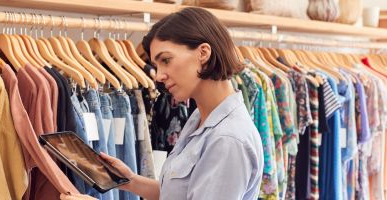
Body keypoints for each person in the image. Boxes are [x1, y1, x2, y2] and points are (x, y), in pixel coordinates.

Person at [61, 7, 263, 200]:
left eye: (166, 60)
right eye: (156, 65)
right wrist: (130, 180)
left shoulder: (227, 139)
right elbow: (181, 193)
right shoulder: (201, 119)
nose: (158, 76)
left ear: (203, 53)